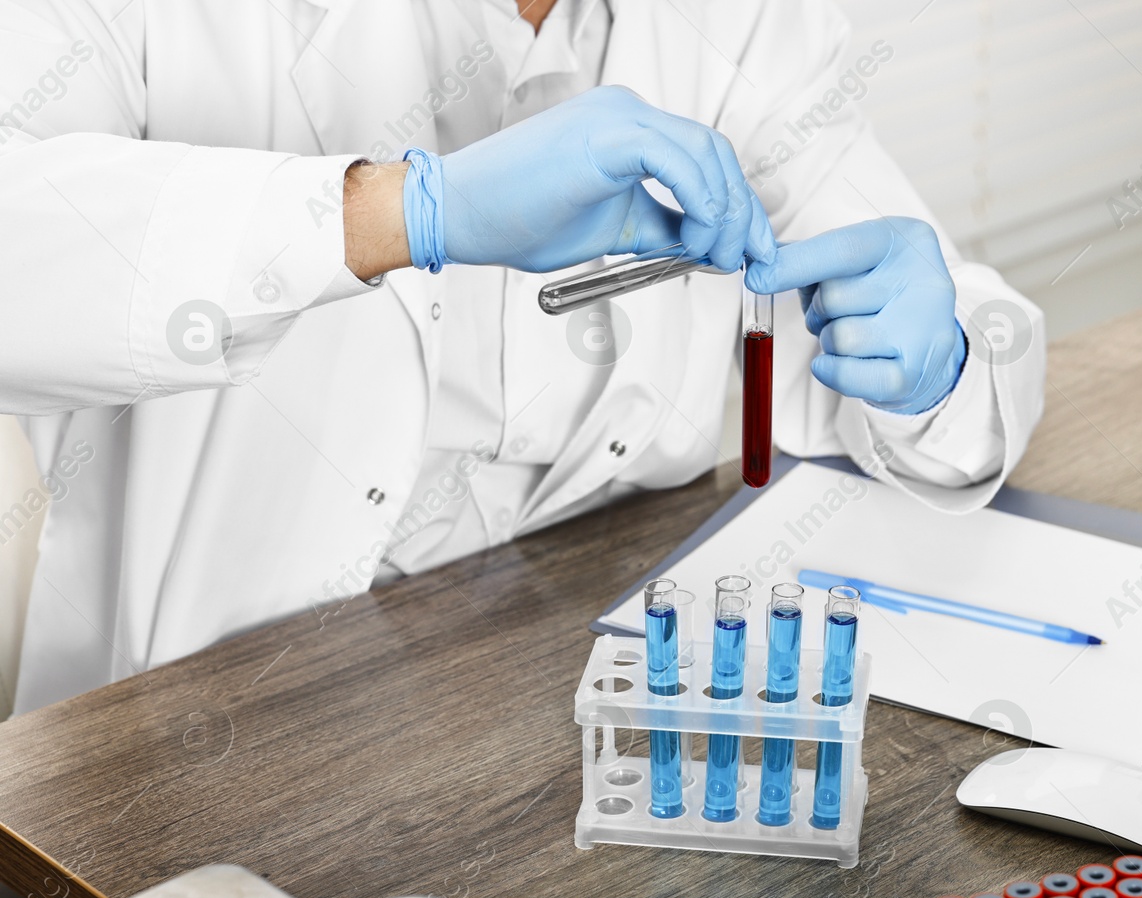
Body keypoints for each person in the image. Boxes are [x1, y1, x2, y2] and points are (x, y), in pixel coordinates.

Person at [0, 0, 1045, 713]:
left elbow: (930, 344)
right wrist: (395, 212)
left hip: (607, 689)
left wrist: (941, 360)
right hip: (219, 724)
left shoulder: (741, 21)